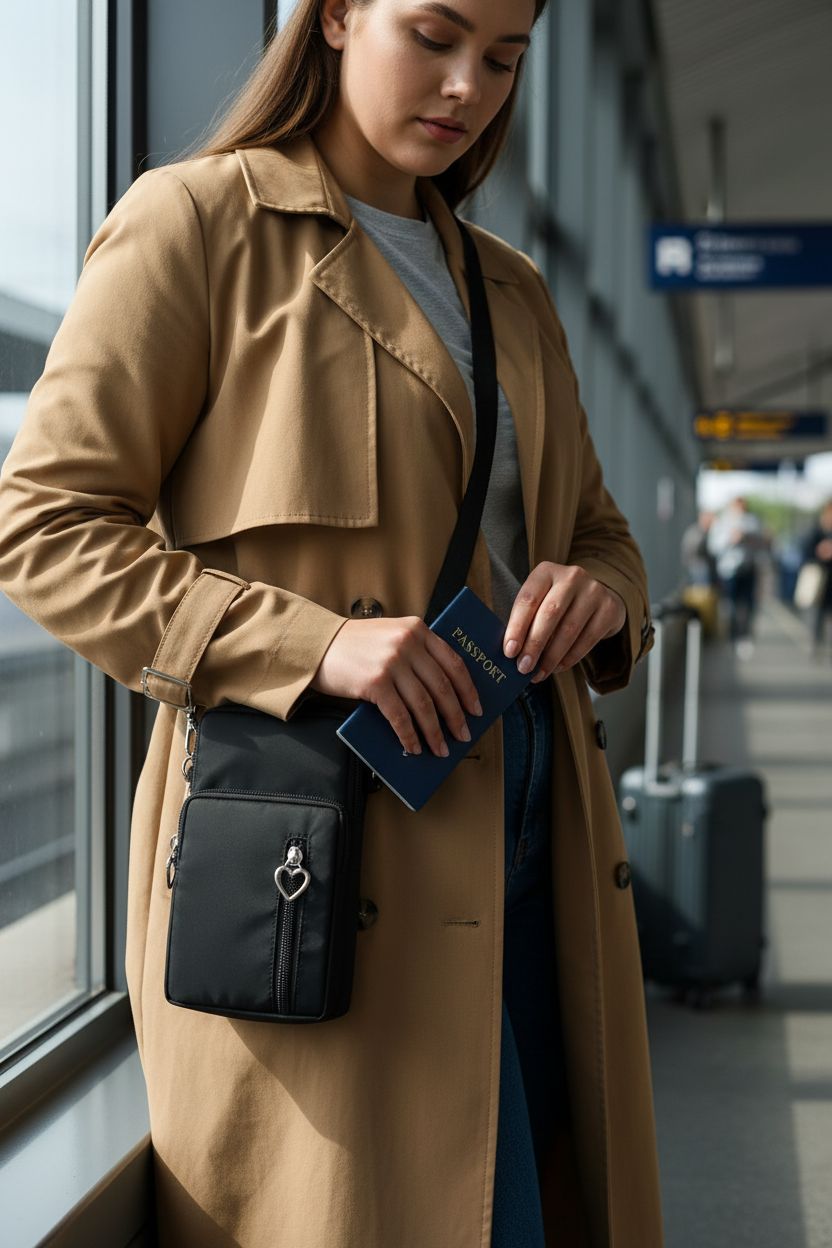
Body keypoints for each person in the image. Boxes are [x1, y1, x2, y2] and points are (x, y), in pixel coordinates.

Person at [0, 2, 663, 1245]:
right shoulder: (200, 224)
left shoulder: (509, 291)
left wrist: (602, 596)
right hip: (333, 855)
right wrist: (309, 645)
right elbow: (42, 531)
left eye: (505, 59)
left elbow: (600, 535)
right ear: (338, 15)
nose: (468, 86)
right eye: (436, 35)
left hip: (539, 843)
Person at [707, 496, 765, 657]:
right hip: (729, 571)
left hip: (749, 568)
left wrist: (746, 538)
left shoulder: (752, 522)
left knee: (747, 605)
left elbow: (762, 544)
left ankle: (744, 637)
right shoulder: (722, 522)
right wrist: (730, 539)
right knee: (730, 605)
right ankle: (732, 637)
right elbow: (713, 547)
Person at [800, 500, 832, 656]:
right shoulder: (815, 531)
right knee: (816, 613)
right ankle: (814, 643)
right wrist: (820, 553)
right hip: (818, 577)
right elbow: (805, 553)